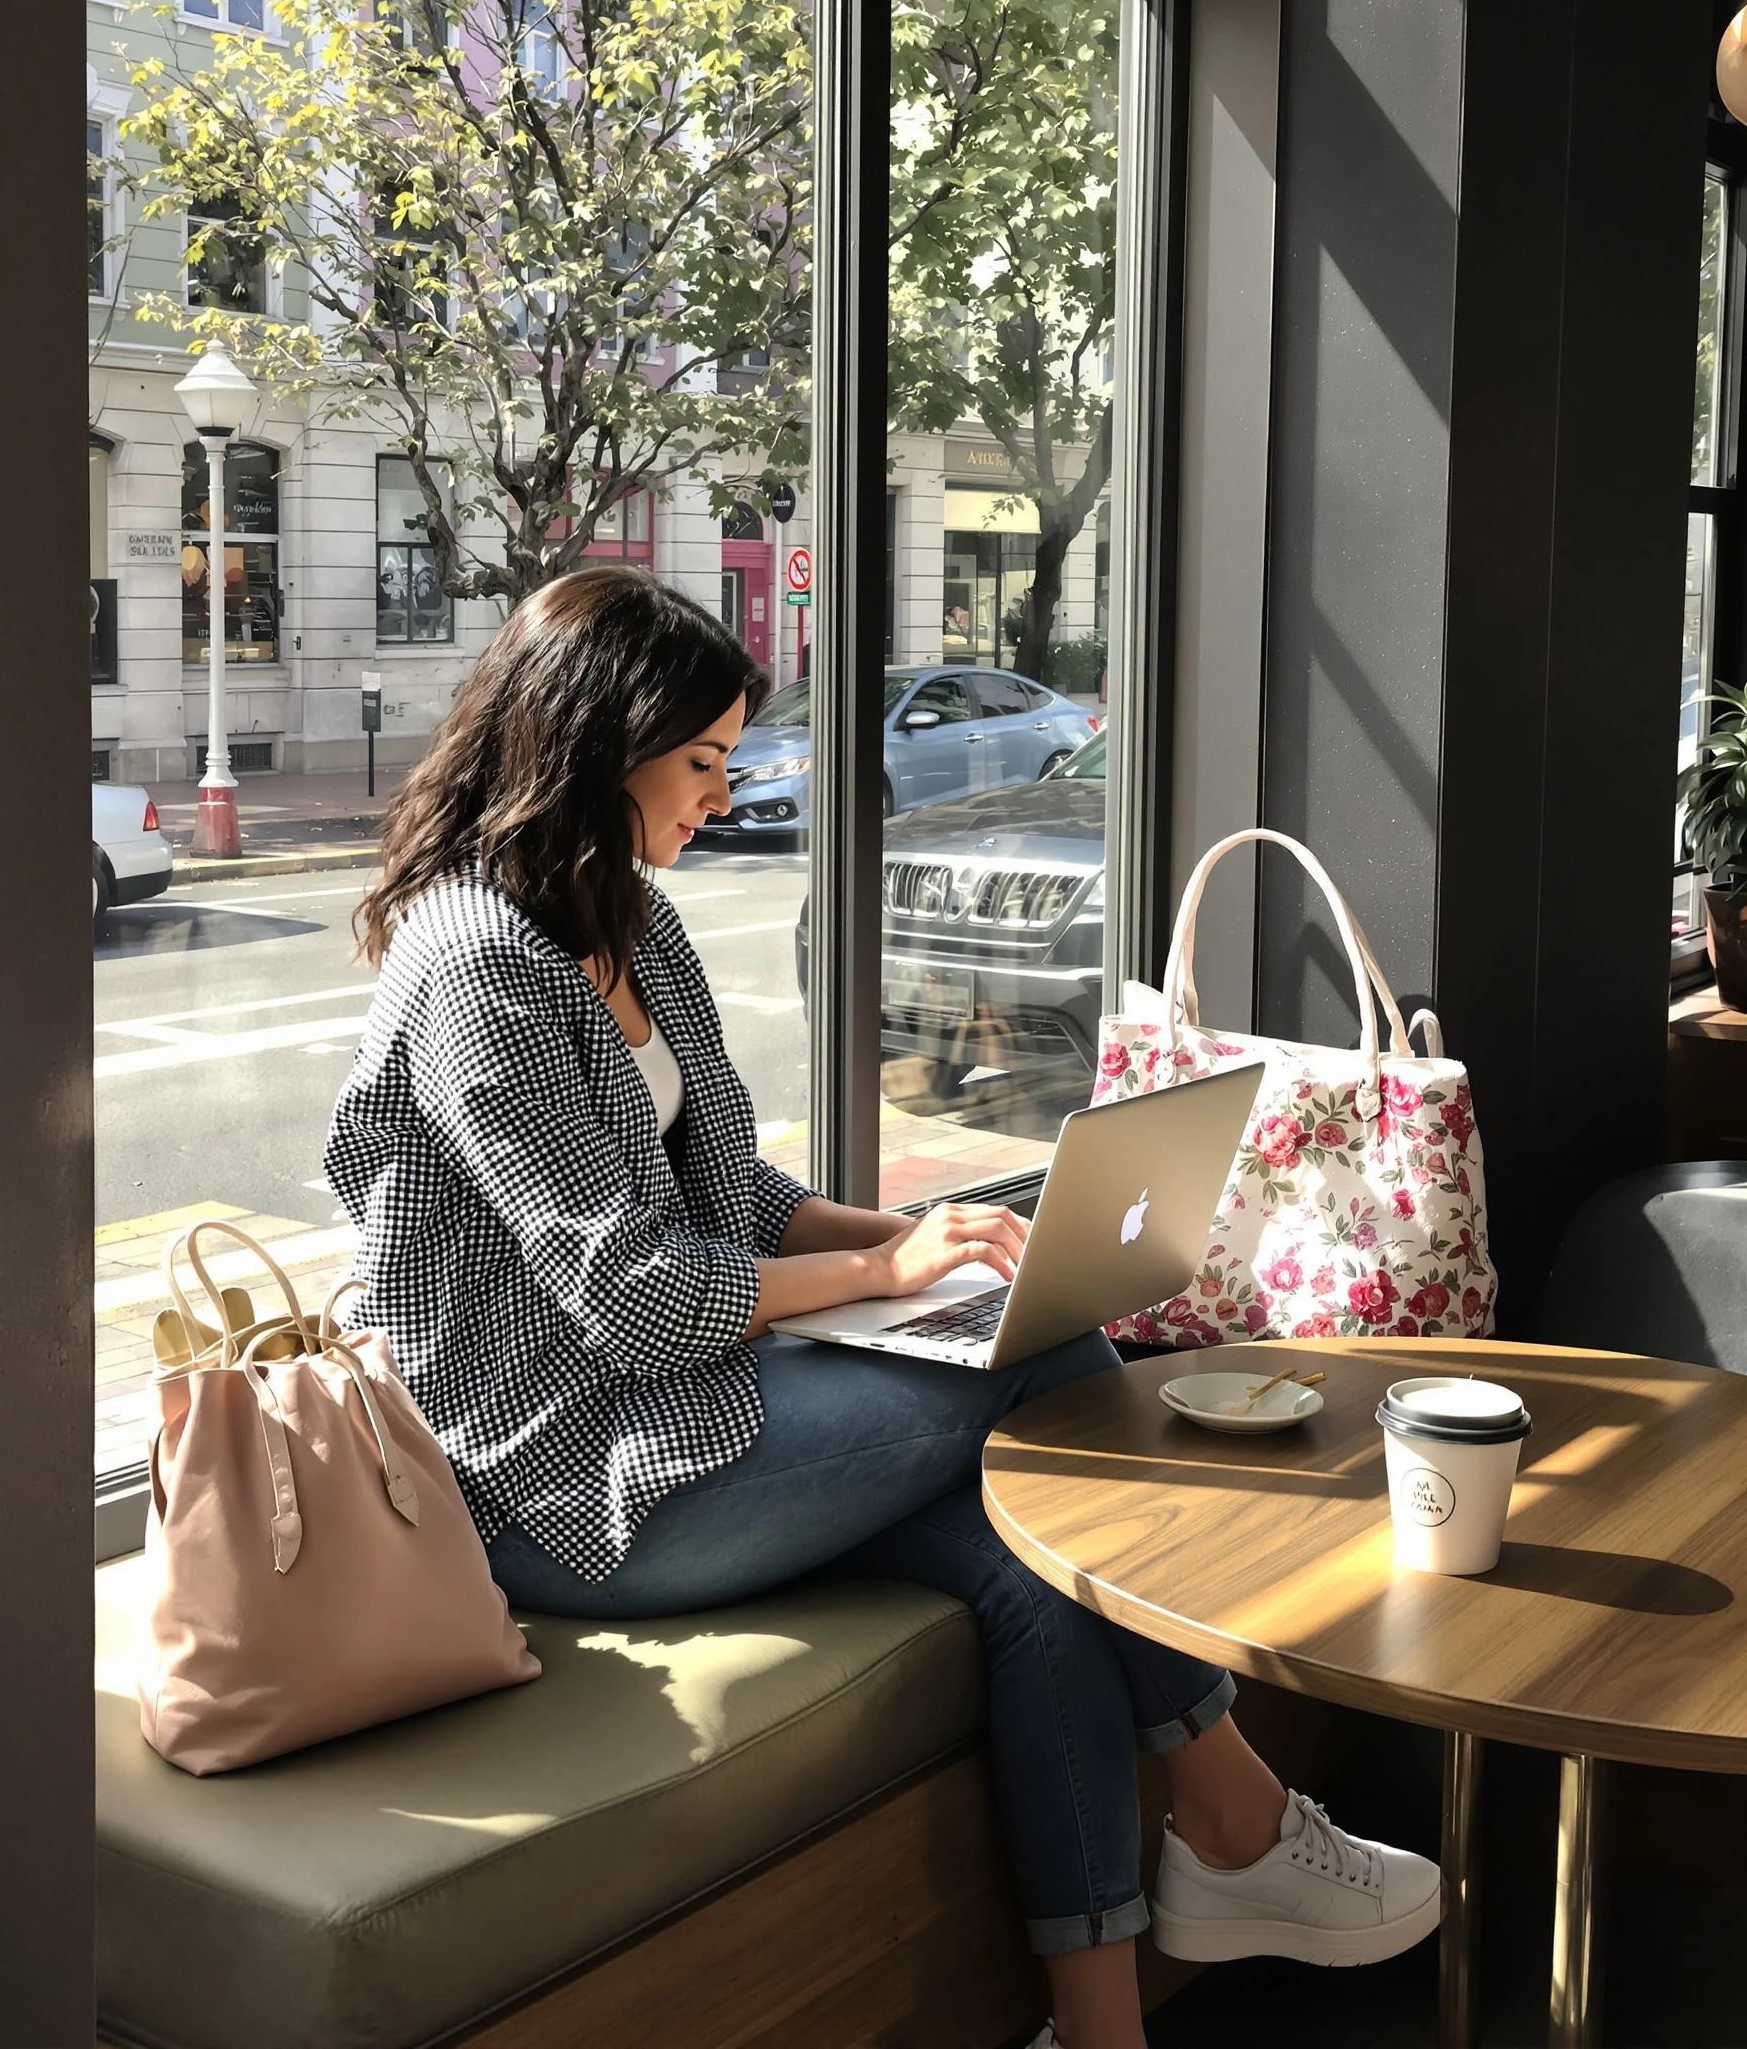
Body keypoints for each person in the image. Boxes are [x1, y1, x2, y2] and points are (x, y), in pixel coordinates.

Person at [326, 565, 1438, 2049]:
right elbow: (632, 1297)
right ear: (596, 745)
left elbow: (734, 1187)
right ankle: (1233, 1820)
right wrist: (886, 1278)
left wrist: (933, 1238)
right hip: (558, 1479)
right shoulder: (475, 964)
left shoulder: (630, 922)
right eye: (703, 760)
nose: (721, 793)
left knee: (1027, 1563)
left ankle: (1102, 2026)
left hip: (688, 1407)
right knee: (1042, 1353)